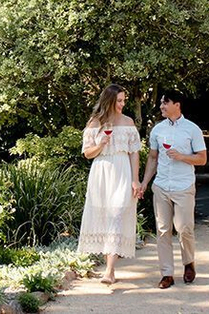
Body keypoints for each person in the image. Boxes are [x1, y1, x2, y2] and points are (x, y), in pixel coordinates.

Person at [139, 90, 207, 289]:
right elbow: (153, 158)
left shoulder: (192, 129)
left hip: (183, 186)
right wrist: (145, 182)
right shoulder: (157, 130)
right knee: (162, 230)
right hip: (161, 186)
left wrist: (182, 156)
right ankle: (167, 274)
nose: (161, 106)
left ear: (177, 105)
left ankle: (188, 263)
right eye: (161, 103)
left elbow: (202, 159)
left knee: (185, 228)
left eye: (165, 102)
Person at [77, 83, 142, 284]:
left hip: (122, 171)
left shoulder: (128, 122)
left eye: (124, 100)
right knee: (105, 216)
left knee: (117, 215)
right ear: (110, 101)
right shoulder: (95, 123)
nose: (122, 104)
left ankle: (110, 270)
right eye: (119, 101)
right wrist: (100, 144)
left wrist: (135, 179)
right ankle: (109, 270)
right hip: (101, 172)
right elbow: (87, 154)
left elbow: (134, 153)